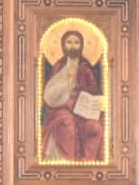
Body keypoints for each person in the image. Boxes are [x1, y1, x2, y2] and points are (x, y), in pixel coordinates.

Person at [41, 30, 103, 161]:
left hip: (83, 113)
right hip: (61, 111)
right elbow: (50, 95)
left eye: (76, 42)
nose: (73, 46)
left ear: (81, 45)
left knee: (96, 128)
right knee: (67, 123)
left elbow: (95, 92)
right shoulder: (59, 67)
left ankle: (86, 164)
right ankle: (68, 163)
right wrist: (66, 81)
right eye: (69, 42)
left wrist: (91, 100)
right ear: (64, 46)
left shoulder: (86, 68)